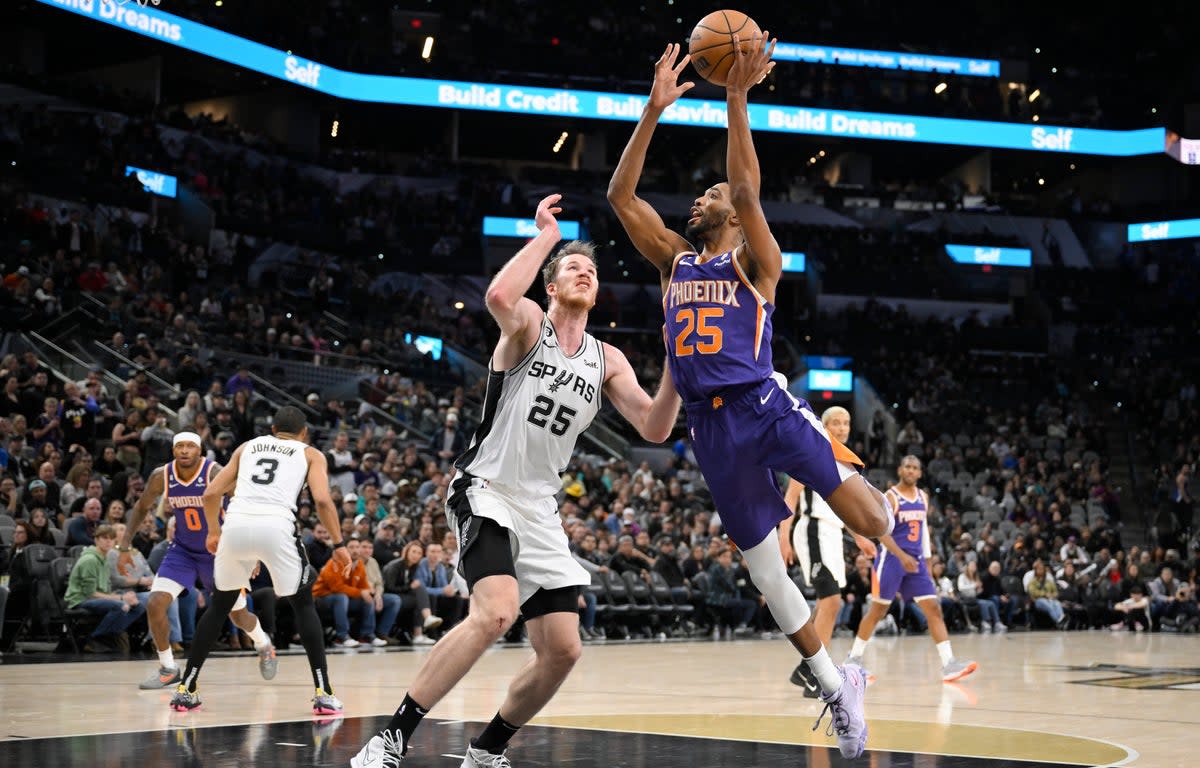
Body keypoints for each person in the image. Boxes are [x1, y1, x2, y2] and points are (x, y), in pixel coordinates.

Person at [607, 39, 889, 758]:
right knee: (767, 574)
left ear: (731, 212)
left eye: (709, 194)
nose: (698, 198)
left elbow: (748, 188)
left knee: (877, 521)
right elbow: (619, 197)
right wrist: (653, 109)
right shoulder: (674, 260)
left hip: (765, 403)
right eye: (700, 195)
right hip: (712, 431)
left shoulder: (757, 261)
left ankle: (847, 478)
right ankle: (837, 688)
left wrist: (735, 93)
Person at [351, 194, 681, 767]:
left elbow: (654, 427)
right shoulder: (530, 324)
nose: (585, 272)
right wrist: (549, 238)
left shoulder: (607, 359)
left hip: (540, 507)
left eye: (592, 270)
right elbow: (499, 296)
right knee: (496, 613)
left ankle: (486, 751)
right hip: (486, 488)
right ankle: (388, 741)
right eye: (573, 268)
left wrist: (681, 361)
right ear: (551, 287)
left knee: (563, 649)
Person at [168, 407, 351, 715]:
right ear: (303, 432)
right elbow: (321, 500)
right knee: (303, 604)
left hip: (236, 525)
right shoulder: (310, 453)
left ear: (273, 428)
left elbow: (212, 493)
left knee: (220, 606)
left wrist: (214, 531)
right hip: (277, 526)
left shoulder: (247, 446)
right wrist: (339, 543)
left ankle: (187, 688)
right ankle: (324, 692)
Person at [118, 432, 274, 689]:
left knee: (238, 616)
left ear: (200, 451)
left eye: (190, 446)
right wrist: (124, 545)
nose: (184, 450)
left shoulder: (215, 473)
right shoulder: (162, 476)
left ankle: (263, 643)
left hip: (219, 552)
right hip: (182, 550)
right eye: (180, 446)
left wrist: (252, 550)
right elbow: (141, 507)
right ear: (173, 450)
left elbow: (245, 507)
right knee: (156, 603)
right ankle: (168, 668)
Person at [846, 456, 977, 683]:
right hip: (891, 559)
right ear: (900, 469)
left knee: (933, 608)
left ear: (919, 473)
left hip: (915, 561)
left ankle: (948, 663)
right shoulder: (891, 497)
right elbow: (881, 532)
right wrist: (901, 555)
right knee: (878, 611)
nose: (910, 470)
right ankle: (853, 659)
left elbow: (924, 531)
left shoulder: (923, 497)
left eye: (915, 467)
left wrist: (926, 562)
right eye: (907, 466)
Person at [779, 406, 877, 697]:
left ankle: (804, 669)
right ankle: (817, 675)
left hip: (832, 534)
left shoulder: (844, 463)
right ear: (824, 425)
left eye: (846, 423)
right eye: (836, 423)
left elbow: (844, 510)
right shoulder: (809, 453)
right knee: (832, 601)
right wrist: (783, 538)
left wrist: (859, 537)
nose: (842, 428)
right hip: (812, 531)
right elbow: (791, 499)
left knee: (827, 605)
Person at [64, 524, 146, 653]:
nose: (108, 541)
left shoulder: (104, 559)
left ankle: (107, 636)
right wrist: (120, 598)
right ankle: (96, 638)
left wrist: (126, 597)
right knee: (120, 606)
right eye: (104, 538)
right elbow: (90, 594)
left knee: (139, 605)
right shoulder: (90, 560)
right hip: (80, 600)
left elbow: (105, 590)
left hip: (96, 597)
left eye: (111, 538)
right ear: (96, 540)